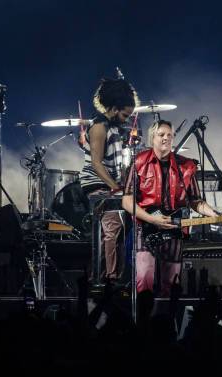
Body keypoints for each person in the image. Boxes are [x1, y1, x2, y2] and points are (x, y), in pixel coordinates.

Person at [121, 120, 222, 296]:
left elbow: (196, 201)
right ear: (152, 138)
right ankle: (144, 321)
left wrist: (217, 214)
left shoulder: (186, 166)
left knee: (171, 283)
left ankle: (167, 320)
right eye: (161, 135)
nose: (166, 138)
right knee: (144, 279)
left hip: (175, 230)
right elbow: (127, 201)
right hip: (145, 228)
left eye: (169, 135)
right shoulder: (139, 162)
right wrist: (152, 219)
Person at [79, 77, 140, 284]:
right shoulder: (99, 127)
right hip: (97, 183)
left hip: (110, 184)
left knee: (120, 229)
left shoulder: (113, 128)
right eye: (124, 114)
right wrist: (116, 188)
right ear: (114, 108)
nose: (126, 119)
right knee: (112, 227)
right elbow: (96, 163)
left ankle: (113, 273)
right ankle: (108, 278)